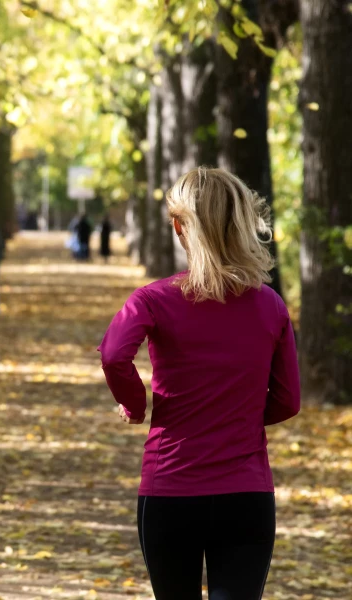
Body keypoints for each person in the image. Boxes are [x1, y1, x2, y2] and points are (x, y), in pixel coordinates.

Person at [98, 167, 300, 600]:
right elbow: (288, 401)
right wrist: (237, 417)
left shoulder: (151, 299)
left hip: (170, 490)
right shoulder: (270, 305)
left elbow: (115, 355)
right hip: (246, 495)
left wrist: (135, 406)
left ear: (178, 227)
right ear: (242, 224)